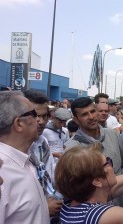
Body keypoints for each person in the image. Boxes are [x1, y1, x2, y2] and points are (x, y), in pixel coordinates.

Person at [64, 97, 123, 207]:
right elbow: (73, 188)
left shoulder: (113, 135)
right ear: (76, 120)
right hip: (94, 214)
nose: (91, 117)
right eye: (84, 114)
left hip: (121, 207)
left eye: (92, 111)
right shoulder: (72, 149)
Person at [0, 91, 49, 223]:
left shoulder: (26, 159)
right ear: (19, 124)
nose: (39, 120)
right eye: (34, 114)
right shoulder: (3, 172)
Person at [23, 90, 63, 221]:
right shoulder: (13, 150)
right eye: (35, 116)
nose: (41, 121)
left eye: (44, 116)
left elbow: (50, 176)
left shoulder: (43, 142)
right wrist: (44, 207)